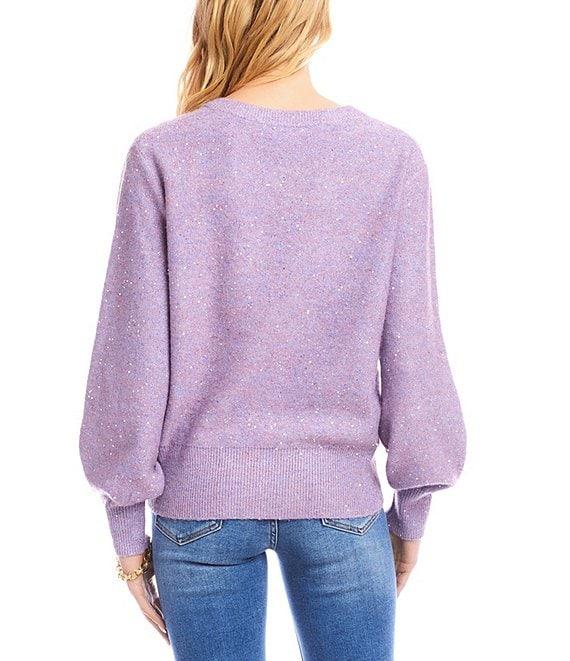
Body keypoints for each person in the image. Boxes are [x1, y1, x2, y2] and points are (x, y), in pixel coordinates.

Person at [78, 1, 467, 658]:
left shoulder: (165, 153)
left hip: (198, 508)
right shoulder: (390, 156)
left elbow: (132, 357)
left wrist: (125, 528)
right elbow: (414, 347)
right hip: (341, 505)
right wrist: (412, 511)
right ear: (315, 19)